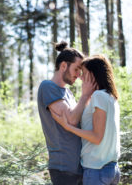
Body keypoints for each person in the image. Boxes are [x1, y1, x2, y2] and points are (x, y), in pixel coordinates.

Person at [51, 54, 121, 185]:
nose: (80, 77)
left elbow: (96, 137)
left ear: (94, 75)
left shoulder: (99, 96)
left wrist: (68, 127)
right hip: (112, 170)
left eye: (84, 73)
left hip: (96, 170)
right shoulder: (111, 97)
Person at [37, 41, 96, 185]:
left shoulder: (68, 93)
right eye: (76, 69)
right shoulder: (48, 87)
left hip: (79, 166)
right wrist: (85, 96)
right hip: (63, 168)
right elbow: (71, 120)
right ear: (64, 66)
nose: (79, 75)